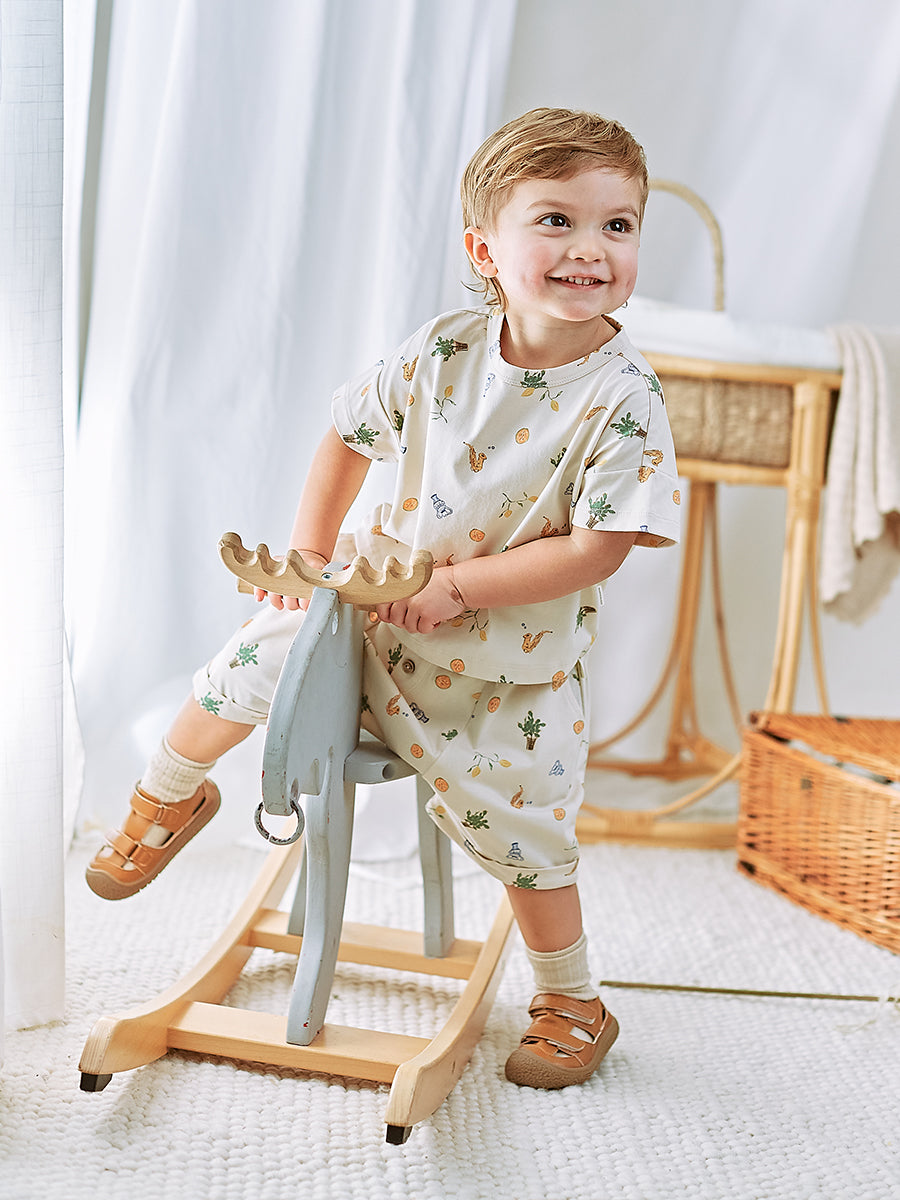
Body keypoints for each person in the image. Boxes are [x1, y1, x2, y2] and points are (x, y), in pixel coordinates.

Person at [86, 107, 680, 1090]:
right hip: (376, 609)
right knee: (254, 655)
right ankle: (166, 794)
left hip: (503, 668)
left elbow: (598, 547)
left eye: (617, 226)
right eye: (557, 221)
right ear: (484, 250)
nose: (591, 249)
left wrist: (461, 587)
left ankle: (573, 997)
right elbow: (346, 435)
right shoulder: (445, 347)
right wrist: (311, 556)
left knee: (527, 822)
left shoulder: (624, 395)